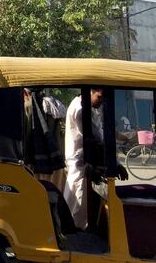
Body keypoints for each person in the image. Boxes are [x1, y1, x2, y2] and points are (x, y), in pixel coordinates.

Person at [64, 88, 107, 231]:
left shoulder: (86, 107)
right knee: (78, 203)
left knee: (76, 201)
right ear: (90, 91)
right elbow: (95, 137)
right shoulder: (81, 110)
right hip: (81, 161)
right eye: (99, 97)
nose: (101, 101)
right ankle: (77, 234)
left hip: (82, 161)